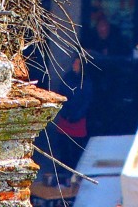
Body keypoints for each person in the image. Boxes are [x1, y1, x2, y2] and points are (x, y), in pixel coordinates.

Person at [48, 56, 94, 186]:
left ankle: (74, 174)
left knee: (75, 149)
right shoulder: (67, 77)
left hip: (77, 119)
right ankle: (62, 171)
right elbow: (62, 94)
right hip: (65, 118)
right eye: (74, 63)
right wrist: (64, 112)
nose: (74, 65)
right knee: (63, 146)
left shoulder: (86, 81)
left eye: (77, 64)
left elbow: (86, 102)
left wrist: (76, 116)